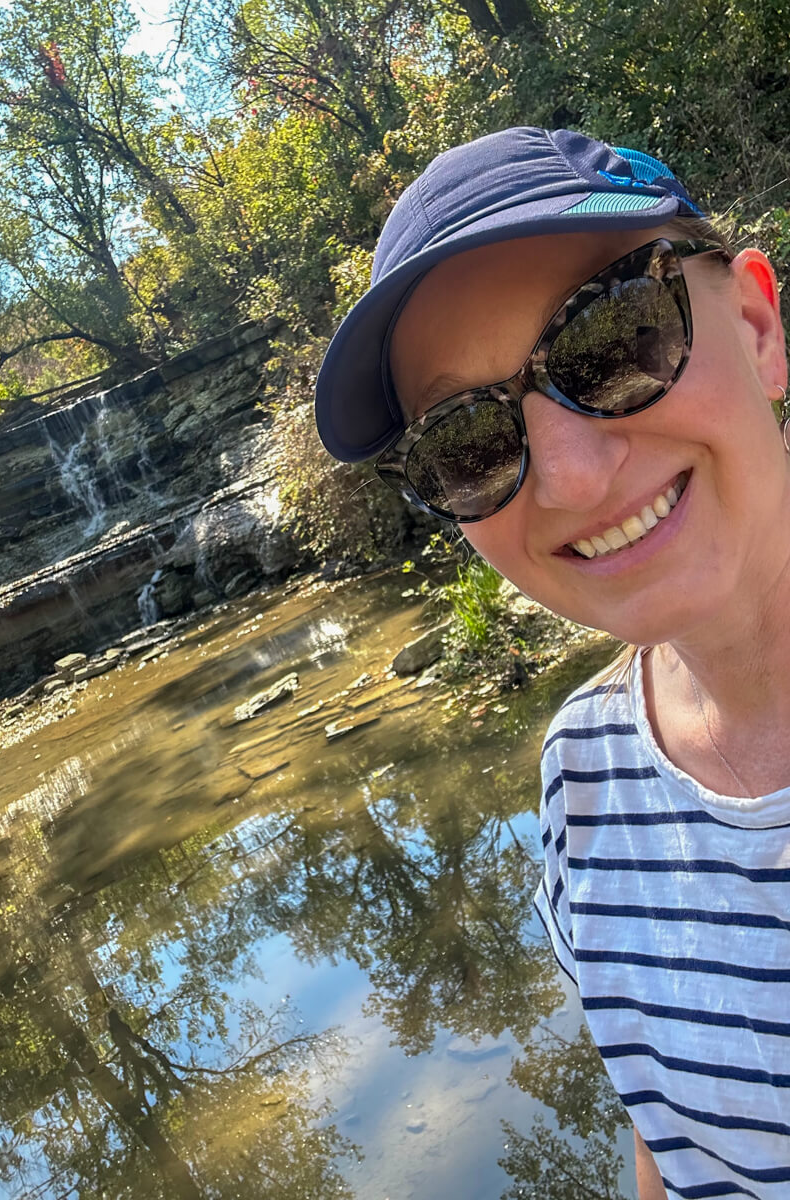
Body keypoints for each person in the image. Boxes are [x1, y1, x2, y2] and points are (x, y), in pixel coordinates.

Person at [314, 126, 790, 1200]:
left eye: (613, 338)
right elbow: (666, 1132)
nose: (569, 480)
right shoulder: (580, 774)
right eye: (466, 441)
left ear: (756, 325)